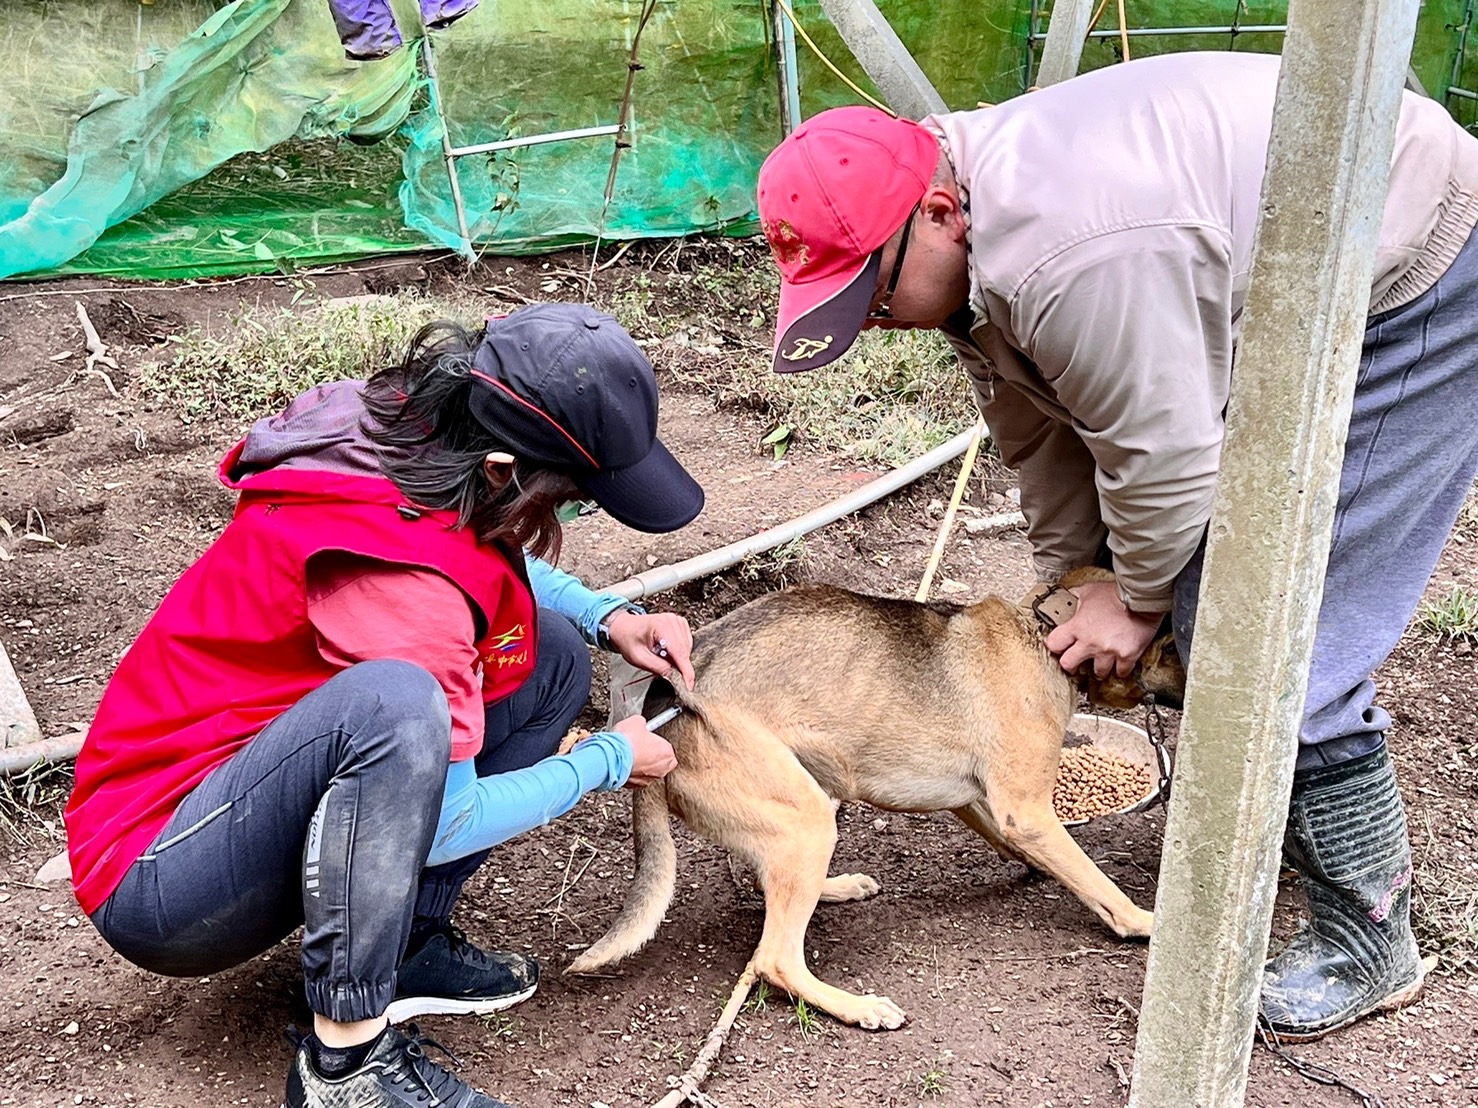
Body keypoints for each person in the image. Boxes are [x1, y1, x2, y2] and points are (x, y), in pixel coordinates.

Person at [754, 50, 1478, 1041]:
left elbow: (1168, 455)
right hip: (1271, 277)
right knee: (1186, 586)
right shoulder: (974, 247)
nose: (874, 321)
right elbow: (1044, 435)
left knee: (1274, 635)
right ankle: (1261, 799)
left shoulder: (1067, 256)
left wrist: (1135, 601)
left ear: (932, 212)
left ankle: (1369, 938)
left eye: (871, 295)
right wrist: (1073, 584)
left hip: (1415, 278)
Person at [63, 302, 705, 1107]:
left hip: (240, 784)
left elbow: (462, 542)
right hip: (161, 870)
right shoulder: (409, 596)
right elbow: (449, 817)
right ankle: (347, 1068)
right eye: (572, 497)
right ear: (505, 468)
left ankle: (403, 949)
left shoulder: (421, 429)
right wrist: (606, 762)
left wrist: (606, 616)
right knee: (396, 706)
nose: (572, 514)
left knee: (550, 654)